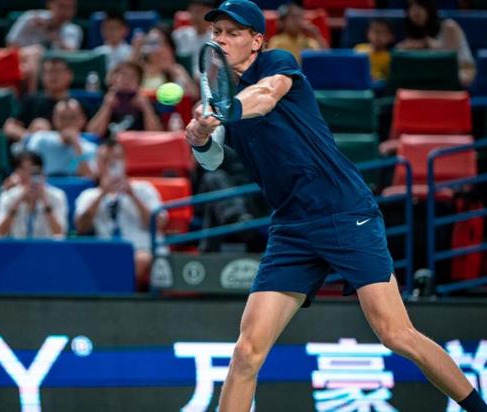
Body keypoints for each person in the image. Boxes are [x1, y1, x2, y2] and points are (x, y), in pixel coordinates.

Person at [186, 1, 487, 411]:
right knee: (246, 352)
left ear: (256, 41)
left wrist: (227, 111)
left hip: (344, 211)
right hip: (291, 227)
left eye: (232, 32)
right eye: (217, 32)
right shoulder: (220, 101)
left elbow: (267, 95)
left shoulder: (277, 63)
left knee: (395, 333)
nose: (221, 39)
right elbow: (211, 159)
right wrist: (200, 137)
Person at [74, 139, 167, 291]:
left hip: (143, 249)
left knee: (138, 260)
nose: (111, 164)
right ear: (97, 164)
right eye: (105, 160)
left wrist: (132, 195)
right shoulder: (89, 196)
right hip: (108, 252)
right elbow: (81, 227)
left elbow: (158, 224)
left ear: (125, 162)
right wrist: (102, 193)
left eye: (116, 159)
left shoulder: (144, 189)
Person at [6, 0, 82, 93]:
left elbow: (72, 55)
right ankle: (30, 96)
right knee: (34, 54)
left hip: (55, 73)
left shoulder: (73, 30)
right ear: (50, 5)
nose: (65, 11)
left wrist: (52, 33)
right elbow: (11, 48)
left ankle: (32, 96)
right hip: (24, 66)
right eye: (61, 6)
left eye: (69, 7)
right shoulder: (30, 18)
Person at [396, 0, 475, 87]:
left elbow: (451, 61)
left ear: (429, 8)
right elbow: (399, 51)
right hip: (433, 77)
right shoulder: (414, 34)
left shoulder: (449, 26)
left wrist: (428, 45)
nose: (415, 11)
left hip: (462, 72)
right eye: (411, 7)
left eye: (419, 6)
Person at [0, 151, 68, 239]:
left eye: (32, 171)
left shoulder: (57, 196)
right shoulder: (7, 196)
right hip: (16, 246)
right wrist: (17, 202)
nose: (27, 174)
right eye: (22, 170)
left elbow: (60, 233)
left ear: (42, 172)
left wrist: (45, 202)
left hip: (47, 246)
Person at [3, 58, 79, 143]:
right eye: (49, 72)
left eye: (57, 71)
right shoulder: (31, 101)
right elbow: (10, 127)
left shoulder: (77, 104)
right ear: (42, 76)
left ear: (69, 75)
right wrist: (32, 139)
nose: (53, 76)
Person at [86, 61, 163, 138]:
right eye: (123, 74)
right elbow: (92, 134)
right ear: (113, 79)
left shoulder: (147, 103)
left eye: (132, 76)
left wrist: (146, 108)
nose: (127, 79)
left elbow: (156, 134)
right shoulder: (101, 100)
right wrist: (107, 106)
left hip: (137, 143)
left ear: (139, 82)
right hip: (108, 143)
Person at [24, 98, 96, 178]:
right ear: (54, 119)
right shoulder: (40, 140)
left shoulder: (90, 148)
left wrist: (77, 146)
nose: (67, 122)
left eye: (72, 117)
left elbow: (88, 178)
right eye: (62, 117)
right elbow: (26, 171)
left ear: (82, 119)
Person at [132, 26, 198, 98]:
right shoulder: (138, 68)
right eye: (151, 42)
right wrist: (136, 50)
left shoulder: (176, 70)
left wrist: (173, 72)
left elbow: (194, 95)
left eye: (159, 43)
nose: (155, 48)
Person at [172, 0, 215, 75]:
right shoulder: (178, 35)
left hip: (209, 80)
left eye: (200, 11)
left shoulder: (216, 37)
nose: (196, 16)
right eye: (193, 11)